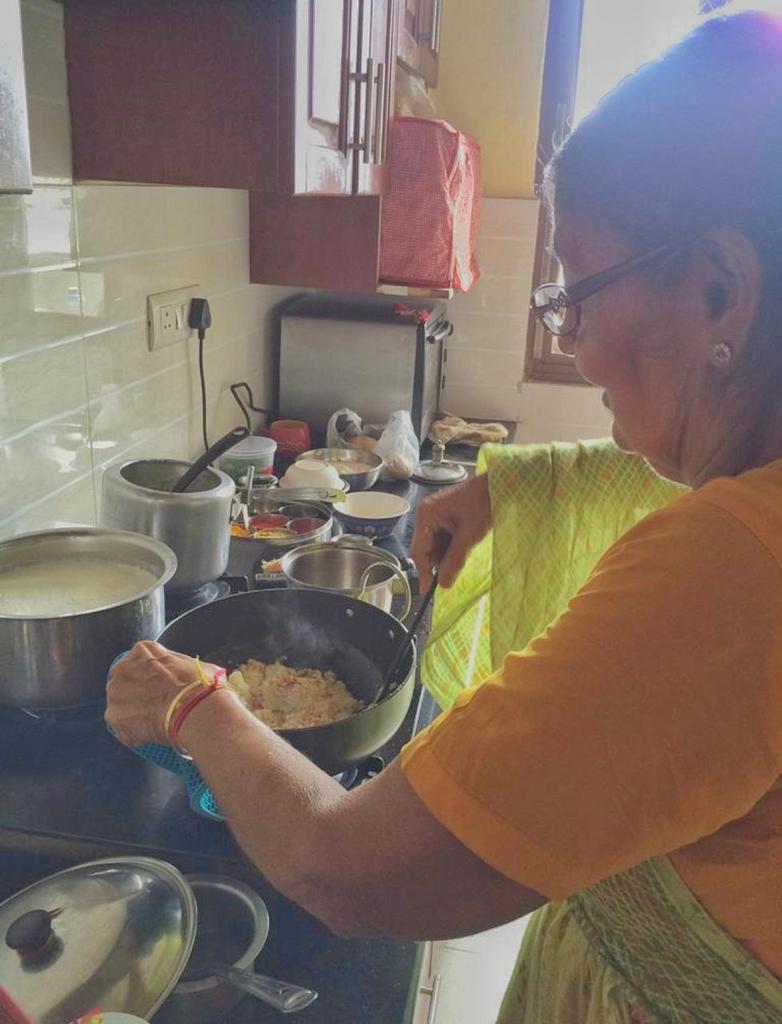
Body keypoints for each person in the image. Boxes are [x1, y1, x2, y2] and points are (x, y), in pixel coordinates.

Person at [106, 13, 782, 1022]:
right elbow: (662, 473)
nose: (580, 352)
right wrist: (506, 486)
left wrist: (198, 706)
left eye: (576, 303)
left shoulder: (732, 567)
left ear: (720, 291)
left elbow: (348, 870)